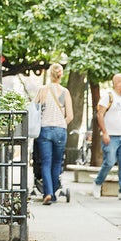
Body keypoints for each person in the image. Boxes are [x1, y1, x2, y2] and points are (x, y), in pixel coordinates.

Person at [34, 63, 74, 205]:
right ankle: (54, 192)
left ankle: (48, 193)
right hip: (60, 130)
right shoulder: (65, 92)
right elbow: (70, 116)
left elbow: (34, 109)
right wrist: (61, 123)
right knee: (57, 163)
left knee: (45, 162)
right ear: (60, 74)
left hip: (44, 129)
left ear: (50, 74)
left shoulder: (42, 90)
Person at [92, 73, 121, 200]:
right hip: (111, 135)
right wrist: (104, 132)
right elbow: (100, 114)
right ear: (117, 83)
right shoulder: (108, 97)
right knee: (109, 162)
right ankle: (98, 183)